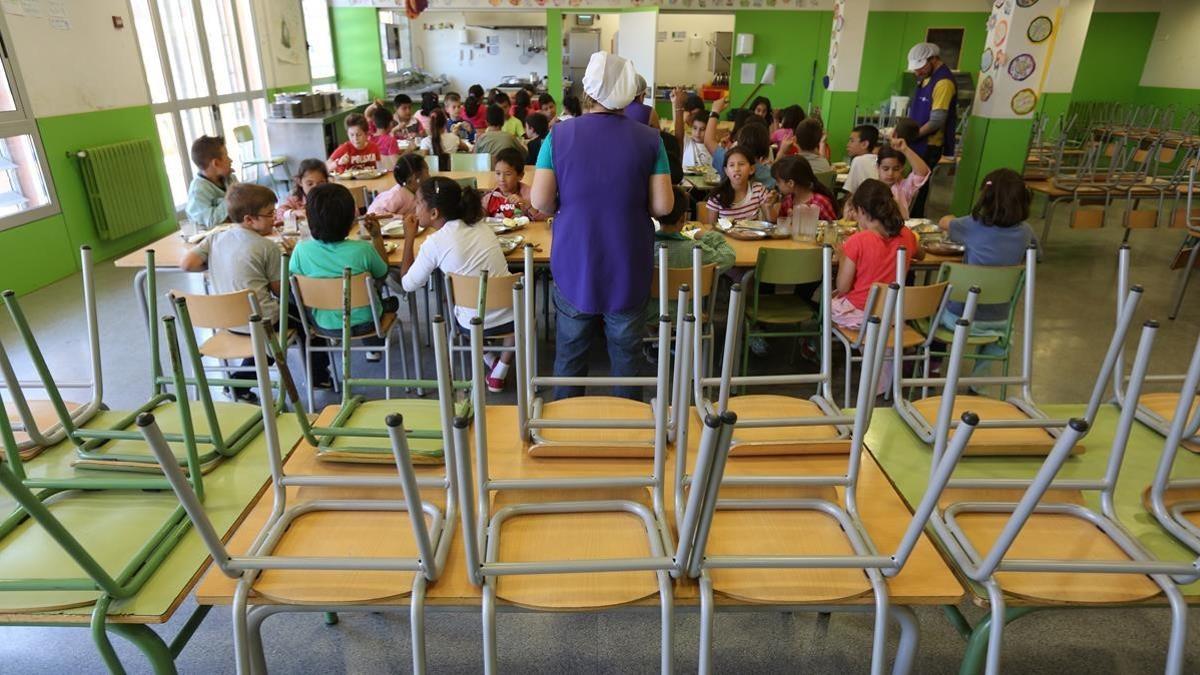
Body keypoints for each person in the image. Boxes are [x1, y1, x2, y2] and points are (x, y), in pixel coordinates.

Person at [530, 51, 675, 401]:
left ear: (587, 92)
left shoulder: (558, 137)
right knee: (626, 355)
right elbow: (663, 206)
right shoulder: (651, 140)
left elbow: (540, 201)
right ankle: (629, 433)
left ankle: (564, 432)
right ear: (628, 93)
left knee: (571, 352)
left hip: (575, 257)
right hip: (628, 259)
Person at [180, 183, 326, 400]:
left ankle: (238, 384)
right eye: (269, 214)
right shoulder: (267, 248)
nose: (274, 218)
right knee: (310, 323)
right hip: (261, 321)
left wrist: (216, 263)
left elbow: (187, 264)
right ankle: (318, 377)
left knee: (263, 333)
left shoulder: (215, 238)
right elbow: (281, 292)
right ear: (249, 219)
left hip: (227, 321)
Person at [398, 176, 516, 392]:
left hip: (472, 323)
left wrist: (409, 238)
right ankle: (500, 368)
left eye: (417, 203)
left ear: (434, 213)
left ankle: (489, 358)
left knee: (452, 300)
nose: (414, 208)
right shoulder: (482, 226)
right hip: (513, 318)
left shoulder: (434, 243)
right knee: (493, 302)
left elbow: (407, 284)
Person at [937, 168, 1034, 378]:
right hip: (999, 322)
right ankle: (978, 381)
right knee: (997, 321)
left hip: (957, 318)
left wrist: (952, 217)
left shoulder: (971, 225)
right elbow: (1037, 255)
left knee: (931, 305)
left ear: (984, 198)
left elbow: (944, 223)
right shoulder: (1026, 232)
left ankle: (934, 363)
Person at [289, 183, 396, 362]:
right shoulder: (363, 249)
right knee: (377, 291)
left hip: (324, 325)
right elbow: (382, 273)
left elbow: (293, 286)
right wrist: (376, 236)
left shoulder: (301, 251)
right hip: (367, 323)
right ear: (350, 220)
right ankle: (373, 345)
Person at [834, 179, 923, 394]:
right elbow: (921, 254)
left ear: (862, 211)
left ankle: (867, 357)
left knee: (830, 303)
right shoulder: (907, 236)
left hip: (862, 314)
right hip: (894, 314)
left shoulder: (857, 240)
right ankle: (883, 373)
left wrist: (843, 255)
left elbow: (843, 286)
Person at [906, 42, 958, 218]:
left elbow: (937, 120)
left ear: (934, 59)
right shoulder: (926, 78)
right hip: (917, 143)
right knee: (912, 186)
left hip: (929, 145)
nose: (917, 72)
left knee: (919, 188)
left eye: (920, 67)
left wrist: (913, 135)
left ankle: (914, 222)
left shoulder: (943, 82)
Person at [703, 147, 769, 223]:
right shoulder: (717, 196)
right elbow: (712, 228)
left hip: (751, 235)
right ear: (726, 171)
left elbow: (771, 221)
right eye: (731, 165)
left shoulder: (758, 189)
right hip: (725, 235)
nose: (736, 169)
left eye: (741, 164)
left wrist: (769, 206)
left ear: (751, 169)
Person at [481, 148, 547, 220]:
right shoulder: (490, 197)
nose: (501, 179)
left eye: (508, 174)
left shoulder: (529, 195)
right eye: (498, 173)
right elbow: (481, 218)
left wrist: (526, 204)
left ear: (520, 176)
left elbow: (542, 218)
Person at [185, 135, 236, 228]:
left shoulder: (230, 178)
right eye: (227, 156)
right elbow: (211, 221)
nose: (231, 160)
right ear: (216, 163)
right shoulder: (198, 190)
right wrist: (233, 194)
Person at [875, 135, 930, 219]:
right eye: (885, 169)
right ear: (878, 167)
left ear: (902, 168)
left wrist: (905, 150)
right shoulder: (871, 188)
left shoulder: (903, 188)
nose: (890, 173)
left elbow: (922, 173)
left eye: (896, 169)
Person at [768, 155, 838, 221]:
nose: (776, 184)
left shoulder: (820, 202)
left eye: (778, 181)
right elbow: (780, 226)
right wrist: (769, 206)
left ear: (791, 183)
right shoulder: (788, 201)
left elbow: (832, 228)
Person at [368, 153, 428, 217]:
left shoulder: (418, 191)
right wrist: (402, 218)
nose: (429, 176)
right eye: (427, 172)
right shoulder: (397, 195)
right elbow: (374, 212)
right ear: (415, 177)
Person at [669, 86, 712, 170]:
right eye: (695, 128)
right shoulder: (687, 141)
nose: (697, 133)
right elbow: (678, 129)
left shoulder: (712, 146)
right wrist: (675, 104)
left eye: (702, 129)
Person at [843, 124, 881, 195]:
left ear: (864, 144)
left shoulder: (858, 160)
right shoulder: (877, 158)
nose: (848, 145)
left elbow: (851, 192)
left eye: (852, 141)